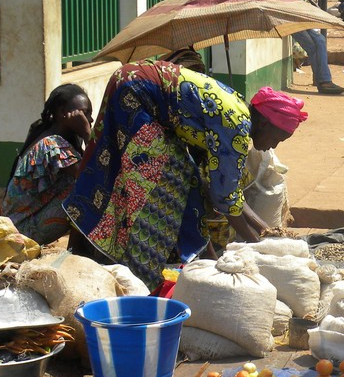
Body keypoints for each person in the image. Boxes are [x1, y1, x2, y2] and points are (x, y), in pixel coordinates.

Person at [64, 63, 306, 289]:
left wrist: (268, 233)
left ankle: (192, 262)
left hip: (130, 80)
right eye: (278, 138)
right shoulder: (238, 129)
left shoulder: (238, 109)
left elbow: (228, 195)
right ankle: (141, 273)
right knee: (161, 188)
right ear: (264, 123)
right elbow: (225, 199)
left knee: (186, 178)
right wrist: (260, 246)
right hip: (136, 94)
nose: (273, 146)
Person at [2, 84, 92, 246]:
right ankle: (79, 250)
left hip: (30, 222)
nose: (89, 120)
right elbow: (92, 175)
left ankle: (78, 248)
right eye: (84, 113)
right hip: (21, 231)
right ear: (63, 112)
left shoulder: (64, 140)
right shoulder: (52, 145)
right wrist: (87, 133)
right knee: (87, 192)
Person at [272, 0, 344, 95]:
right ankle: (323, 81)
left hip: (297, 18)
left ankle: (323, 80)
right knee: (311, 46)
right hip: (287, 20)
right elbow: (279, 2)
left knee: (320, 40)